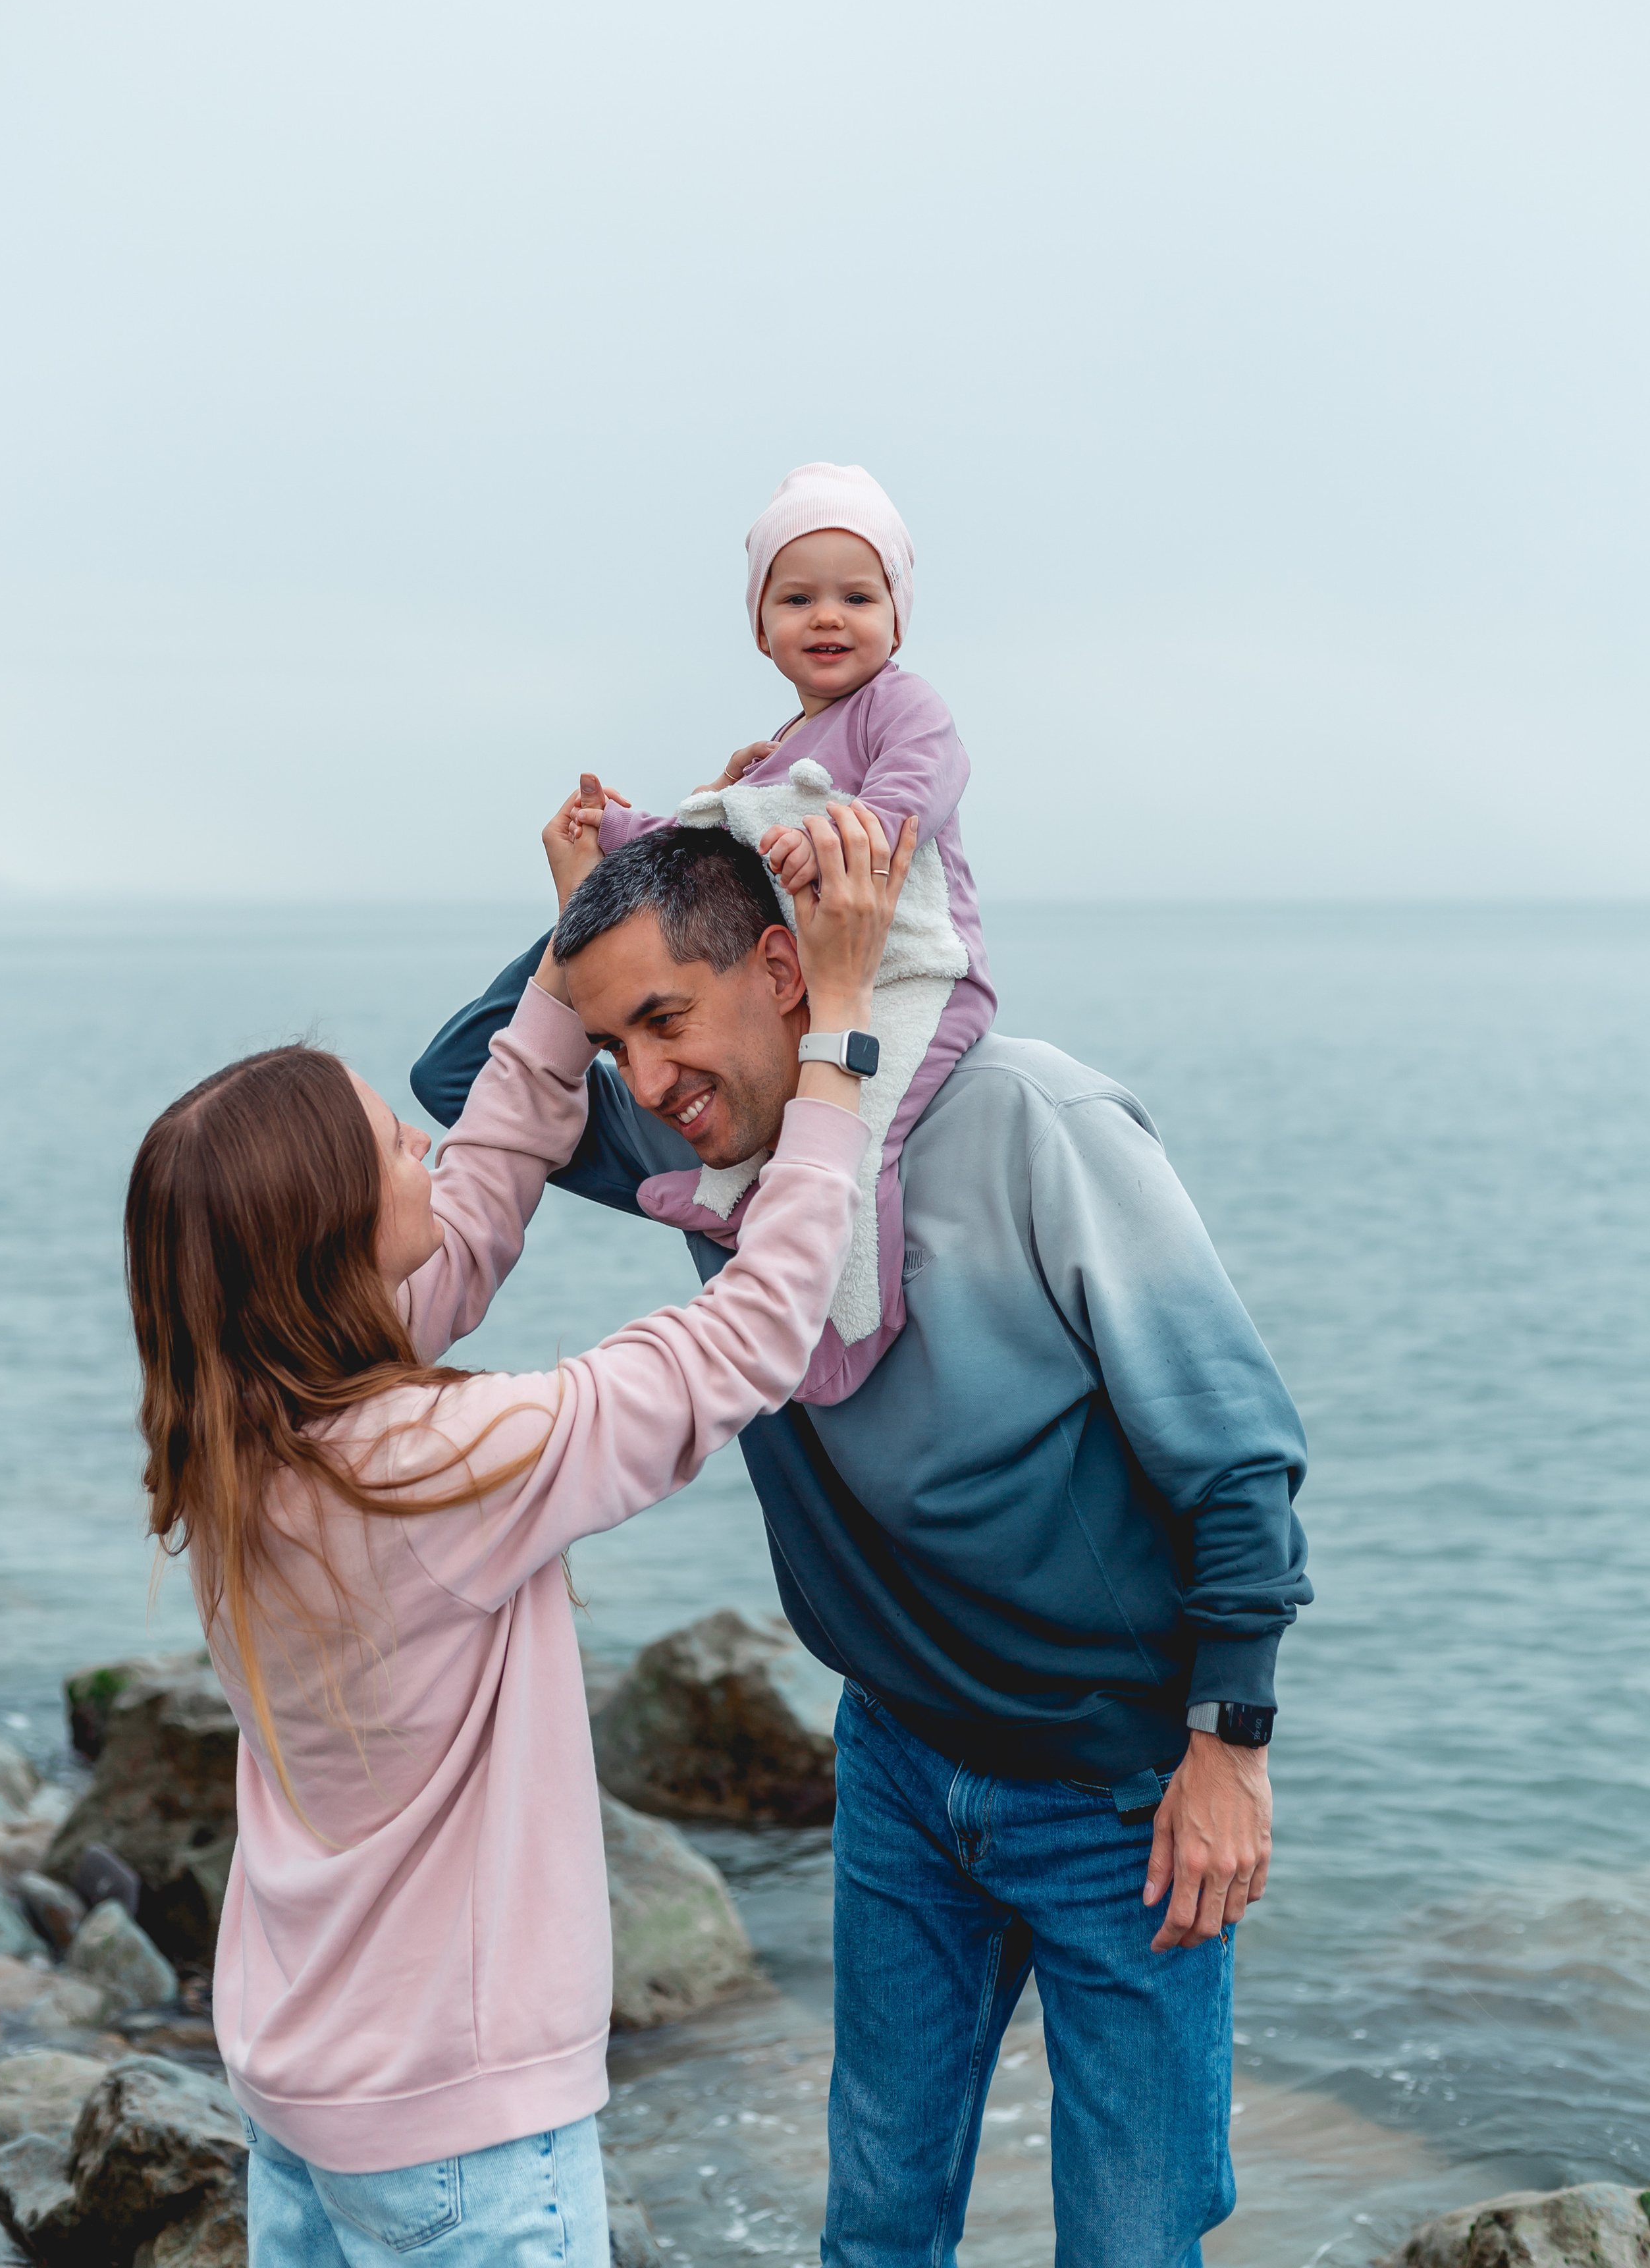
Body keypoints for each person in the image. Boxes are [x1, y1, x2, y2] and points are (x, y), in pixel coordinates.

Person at [412, 815, 1313, 2268]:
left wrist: (1231, 1743)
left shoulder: (1035, 1123)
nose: (640, 1081)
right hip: (896, 1755)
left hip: (1118, 1789)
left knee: (1133, 2243)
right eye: (612, 1041)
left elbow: (1234, 1453)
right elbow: (462, 1078)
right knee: (879, 2222)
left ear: (786, 969)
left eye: (664, 1019)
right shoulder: (695, 1140)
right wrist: (649, 857)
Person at [126, 801, 912, 2266]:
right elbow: (735, 1348)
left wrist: (569, 972)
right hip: (455, 2132)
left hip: (301, 2088)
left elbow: (479, 1195)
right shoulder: (434, 1469)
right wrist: (839, 1042)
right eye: (387, 1148)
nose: (425, 1143)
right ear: (326, 1240)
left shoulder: (242, 1434)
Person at [560, 462, 995, 1404]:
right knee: (799, 1111)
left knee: (861, 1133)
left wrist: (858, 832)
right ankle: (731, 1203)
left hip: (919, 977)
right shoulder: (782, 749)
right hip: (834, 981)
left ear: (898, 616)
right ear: (762, 631)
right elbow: (708, 839)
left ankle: (847, 1339)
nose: (829, 618)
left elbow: (921, 783)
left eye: (858, 596)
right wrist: (616, 835)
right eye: (798, 598)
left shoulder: (901, 705)